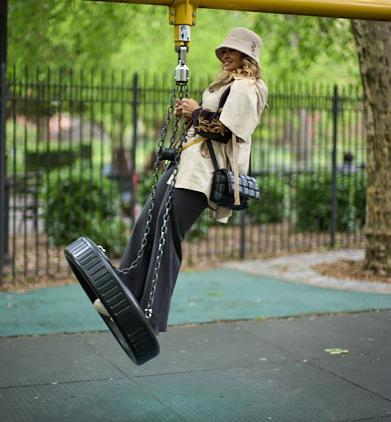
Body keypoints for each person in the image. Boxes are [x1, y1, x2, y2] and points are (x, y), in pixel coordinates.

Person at [93, 27, 268, 334]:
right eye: (223, 50)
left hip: (203, 175)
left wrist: (195, 111)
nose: (224, 55)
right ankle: (126, 285)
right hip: (187, 166)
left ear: (247, 55)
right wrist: (191, 116)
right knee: (148, 219)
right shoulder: (229, 84)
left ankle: (151, 313)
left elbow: (225, 131)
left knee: (166, 235)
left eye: (231, 50)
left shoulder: (248, 87)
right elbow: (210, 126)